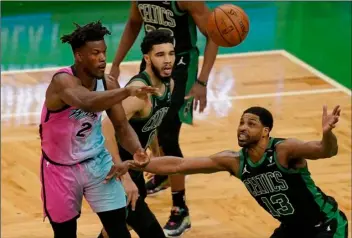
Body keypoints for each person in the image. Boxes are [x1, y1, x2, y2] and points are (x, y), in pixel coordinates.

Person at [129, 105, 348, 238]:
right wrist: (141, 163)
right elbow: (179, 165)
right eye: (241, 122)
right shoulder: (234, 161)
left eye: (251, 124)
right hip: (292, 228)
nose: (243, 127)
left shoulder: (284, 150)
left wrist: (328, 134)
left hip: (326, 225)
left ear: (265, 131)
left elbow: (324, 151)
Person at [107, 1, 219, 236]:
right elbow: (133, 23)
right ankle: (162, 174)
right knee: (145, 122)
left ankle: (180, 209)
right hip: (152, 60)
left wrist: (202, 81)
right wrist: (116, 63)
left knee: (168, 133)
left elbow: (213, 35)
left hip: (180, 65)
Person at [39, 21, 153, 238]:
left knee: (119, 231)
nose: (102, 58)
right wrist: (127, 91)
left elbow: (121, 126)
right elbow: (88, 102)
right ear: (79, 56)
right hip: (60, 169)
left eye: (104, 52)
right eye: (95, 53)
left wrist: (137, 149)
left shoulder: (108, 84)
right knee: (64, 234)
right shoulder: (62, 82)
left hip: (97, 163)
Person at [100, 29, 175, 238]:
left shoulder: (168, 84)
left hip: (133, 166)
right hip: (113, 167)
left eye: (171, 53)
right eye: (160, 55)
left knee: (118, 225)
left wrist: (155, 151)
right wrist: (123, 176)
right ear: (147, 58)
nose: (168, 60)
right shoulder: (139, 93)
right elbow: (105, 126)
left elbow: (153, 122)